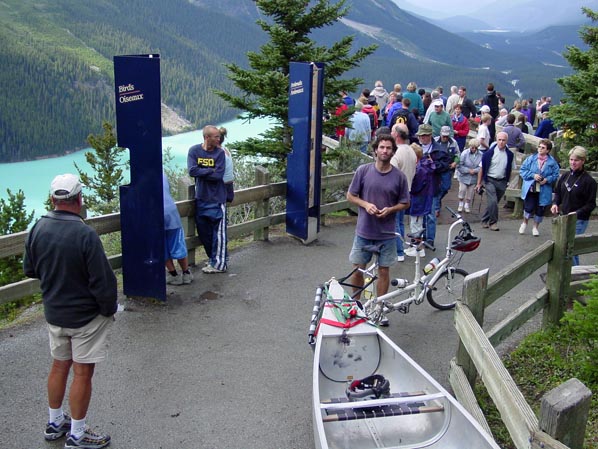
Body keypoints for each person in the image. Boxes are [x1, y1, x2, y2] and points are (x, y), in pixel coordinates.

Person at [23, 174, 116, 449]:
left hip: (55, 313)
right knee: (83, 373)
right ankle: (77, 434)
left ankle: (55, 422)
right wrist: (108, 309)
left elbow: (30, 269)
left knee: (59, 365)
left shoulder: (38, 228)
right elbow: (103, 281)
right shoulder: (84, 233)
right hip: (85, 317)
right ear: (79, 199)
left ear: (53, 200)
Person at [347, 134, 410, 301]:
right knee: (358, 269)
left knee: (384, 271)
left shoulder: (399, 177)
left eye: (388, 148)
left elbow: (405, 203)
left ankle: (379, 306)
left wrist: (391, 209)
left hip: (387, 233)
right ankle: (355, 305)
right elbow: (350, 196)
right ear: (375, 150)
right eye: (381, 147)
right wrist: (366, 205)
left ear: (393, 152)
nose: (384, 151)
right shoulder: (363, 171)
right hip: (364, 231)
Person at [188, 125, 228, 273]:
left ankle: (220, 264)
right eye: (216, 136)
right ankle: (212, 260)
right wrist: (210, 170)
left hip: (217, 199)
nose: (219, 139)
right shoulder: (194, 151)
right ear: (207, 137)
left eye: (219, 136)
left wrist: (202, 172)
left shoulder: (220, 153)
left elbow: (218, 175)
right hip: (201, 199)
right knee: (204, 234)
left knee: (219, 235)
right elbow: (192, 170)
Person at [551, 146, 597, 266]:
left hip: (578, 220)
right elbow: (558, 193)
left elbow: (591, 204)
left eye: (576, 160)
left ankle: (575, 274)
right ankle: (570, 272)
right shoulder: (565, 176)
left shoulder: (589, 181)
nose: (573, 163)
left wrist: (577, 212)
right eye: (571, 160)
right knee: (563, 246)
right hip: (563, 216)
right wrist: (555, 203)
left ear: (582, 161)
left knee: (571, 247)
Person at [416, 123, 451, 247]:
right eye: (420, 136)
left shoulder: (440, 150)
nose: (421, 138)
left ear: (430, 136)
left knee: (430, 215)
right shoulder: (414, 148)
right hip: (418, 188)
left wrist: (434, 164)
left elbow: (446, 165)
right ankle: (418, 238)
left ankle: (429, 239)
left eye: (424, 136)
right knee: (418, 215)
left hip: (432, 187)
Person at [518, 139, 560, 236]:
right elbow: (523, 170)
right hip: (531, 188)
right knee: (528, 207)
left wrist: (547, 179)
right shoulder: (531, 159)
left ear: (548, 150)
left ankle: (535, 227)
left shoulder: (552, 162)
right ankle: (524, 223)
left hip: (544, 190)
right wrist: (533, 175)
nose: (540, 149)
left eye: (543, 148)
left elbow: (555, 174)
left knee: (540, 209)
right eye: (539, 147)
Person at [476, 132, 515, 231]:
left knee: (493, 203)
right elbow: (481, 168)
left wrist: (508, 182)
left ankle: (484, 220)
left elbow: (510, 169)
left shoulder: (510, 154)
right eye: (499, 140)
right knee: (493, 201)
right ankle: (493, 222)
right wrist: (479, 183)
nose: (501, 142)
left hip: (502, 181)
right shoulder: (489, 153)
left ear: (506, 141)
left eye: (503, 140)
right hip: (490, 180)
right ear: (496, 140)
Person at [390, 124, 417, 262]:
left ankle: (398, 251)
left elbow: (391, 174)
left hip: (395, 193)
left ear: (396, 134)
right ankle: (400, 249)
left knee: (394, 223)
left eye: (392, 131)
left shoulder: (396, 153)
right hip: (407, 190)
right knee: (400, 222)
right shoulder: (411, 150)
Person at [163, 172, 194, 285]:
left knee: (162, 246)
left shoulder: (141, 176)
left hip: (154, 215)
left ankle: (173, 275)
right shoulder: (162, 173)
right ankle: (186, 273)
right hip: (171, 212)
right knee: (177, 243)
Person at [434, 126, 459, 213]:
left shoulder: (453, 142)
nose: (445, 138)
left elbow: (458, 155)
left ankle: (437, 199)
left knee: (446, 187)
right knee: (435, 186)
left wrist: (455, 163)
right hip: (437, 167)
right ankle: (436, 207)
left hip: (448, 167)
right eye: (443, 136)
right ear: (440, 134)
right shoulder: (435, 141)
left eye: (446, 136)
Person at [456, 139, 482, 213]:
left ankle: (467, 204)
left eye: (475, 148)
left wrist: (475, 170)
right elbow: (459, 165)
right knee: (462, 190)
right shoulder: (464, 153)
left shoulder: (481, 155)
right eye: (472, 147)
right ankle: (460, 203)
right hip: (464, 176)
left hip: (473, 177)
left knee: (470, 192)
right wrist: (468, 170)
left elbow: (481, 167)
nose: (473, 149)